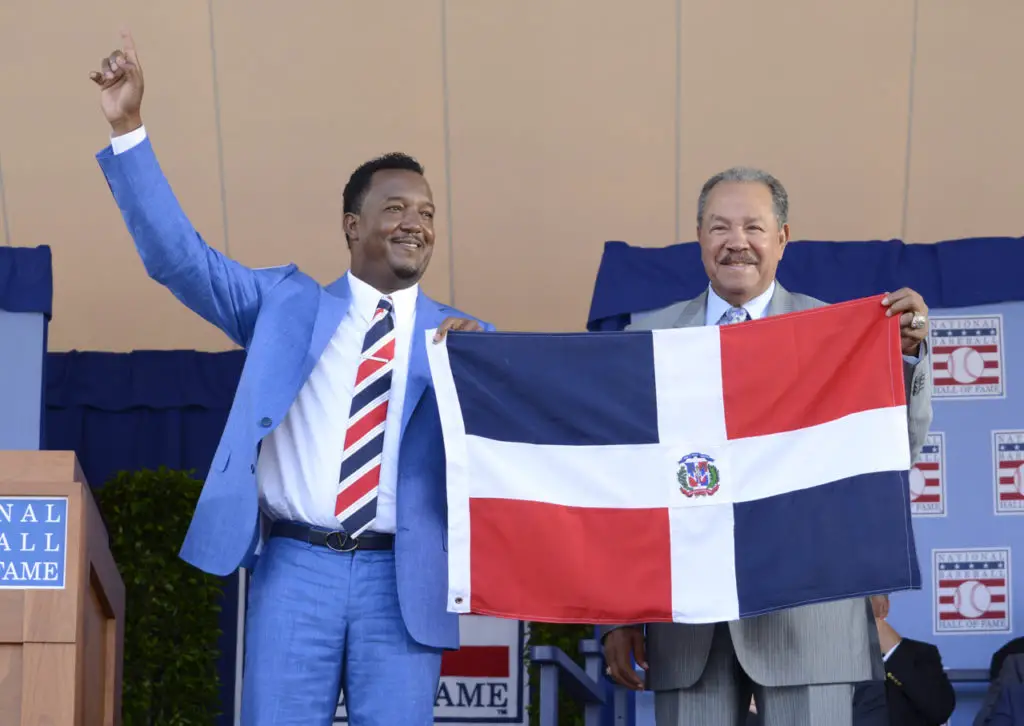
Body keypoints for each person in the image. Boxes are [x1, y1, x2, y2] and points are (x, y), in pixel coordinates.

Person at [88, 30, 494, 726]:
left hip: (403, 578)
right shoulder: (286, 304)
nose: (415, 224)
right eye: (395, 208)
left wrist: (489, 374)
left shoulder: (464, 339)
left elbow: (517, 458)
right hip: (296, 566)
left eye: (427, 213)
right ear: (351, 225)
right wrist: (128, 127)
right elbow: (180, 261)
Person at [601, 166, 933, 726]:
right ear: (700, 238)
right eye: (720, 227)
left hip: (810, 617)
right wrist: (617, 615)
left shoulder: (838, 332)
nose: (737, 243)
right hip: (687, 627)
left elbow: (899, 446)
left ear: (781, 239)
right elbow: (617, 482)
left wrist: (900, 356)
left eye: (754, 227)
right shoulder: (645, 340)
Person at [852, 595, 956, 726]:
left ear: (883, 607)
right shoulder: (824, 662)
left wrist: (894, 650)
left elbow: (939, 710)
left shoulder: (920, 655)